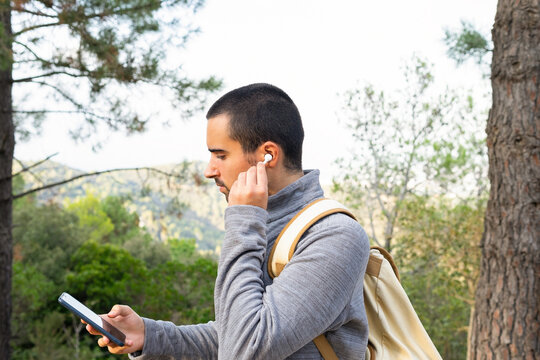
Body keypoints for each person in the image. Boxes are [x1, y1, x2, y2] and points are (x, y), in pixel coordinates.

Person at [85, 83, 371, 359]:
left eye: (220, 155)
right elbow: (233, 334)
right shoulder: (263, 222)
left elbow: (245, 348)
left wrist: (245, 220)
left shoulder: (335, 237)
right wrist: (150, 335)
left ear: (268, 155)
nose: (209, 170)